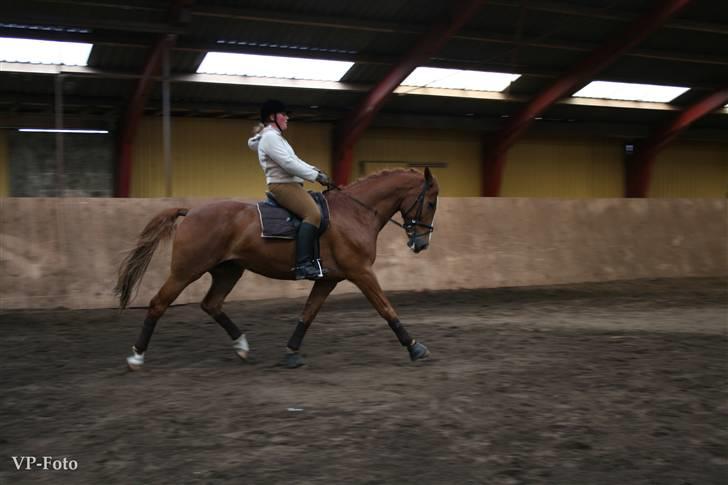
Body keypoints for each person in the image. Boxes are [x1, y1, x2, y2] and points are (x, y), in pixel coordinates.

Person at [247, 99, 331, 280]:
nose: (287, 118)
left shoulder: (276, 138)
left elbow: (295, 160)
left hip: (291, 184)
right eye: (283, 114)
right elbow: (288, 163)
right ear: (272, 117)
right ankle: (303, 265)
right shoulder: (270, 137)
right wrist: (315, 176)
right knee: (313, 215)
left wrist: (316, 170)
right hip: (282, 185)